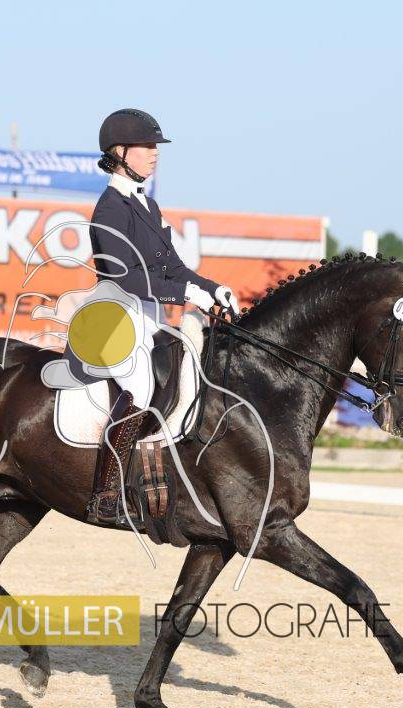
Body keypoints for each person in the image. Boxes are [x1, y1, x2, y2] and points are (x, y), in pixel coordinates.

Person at [85, 108, 239, 522]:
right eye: (146, 146)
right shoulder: (110, 209)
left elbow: (173, 268)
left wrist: (212, 289)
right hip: (117, 316)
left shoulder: (148, 206)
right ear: (120, 153)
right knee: (139, 384)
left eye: (156, 146)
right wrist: (184, 294)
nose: (155, 153)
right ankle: (106, 494)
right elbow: (125, 277)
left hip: (149, 317)